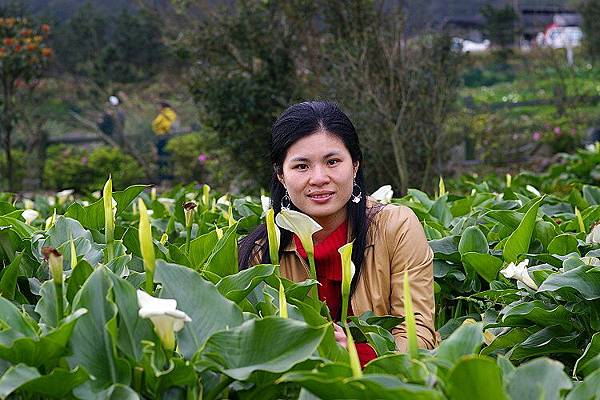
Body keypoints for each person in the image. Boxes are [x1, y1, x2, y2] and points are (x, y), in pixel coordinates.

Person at [238, 101, 438, 366]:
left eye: (332, 162)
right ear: (281, 175)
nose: (319, 178)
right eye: (301, 166)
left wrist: (353, 355)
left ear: (355, 165)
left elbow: (419, 333)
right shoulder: (261, 253)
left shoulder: (396, 227)